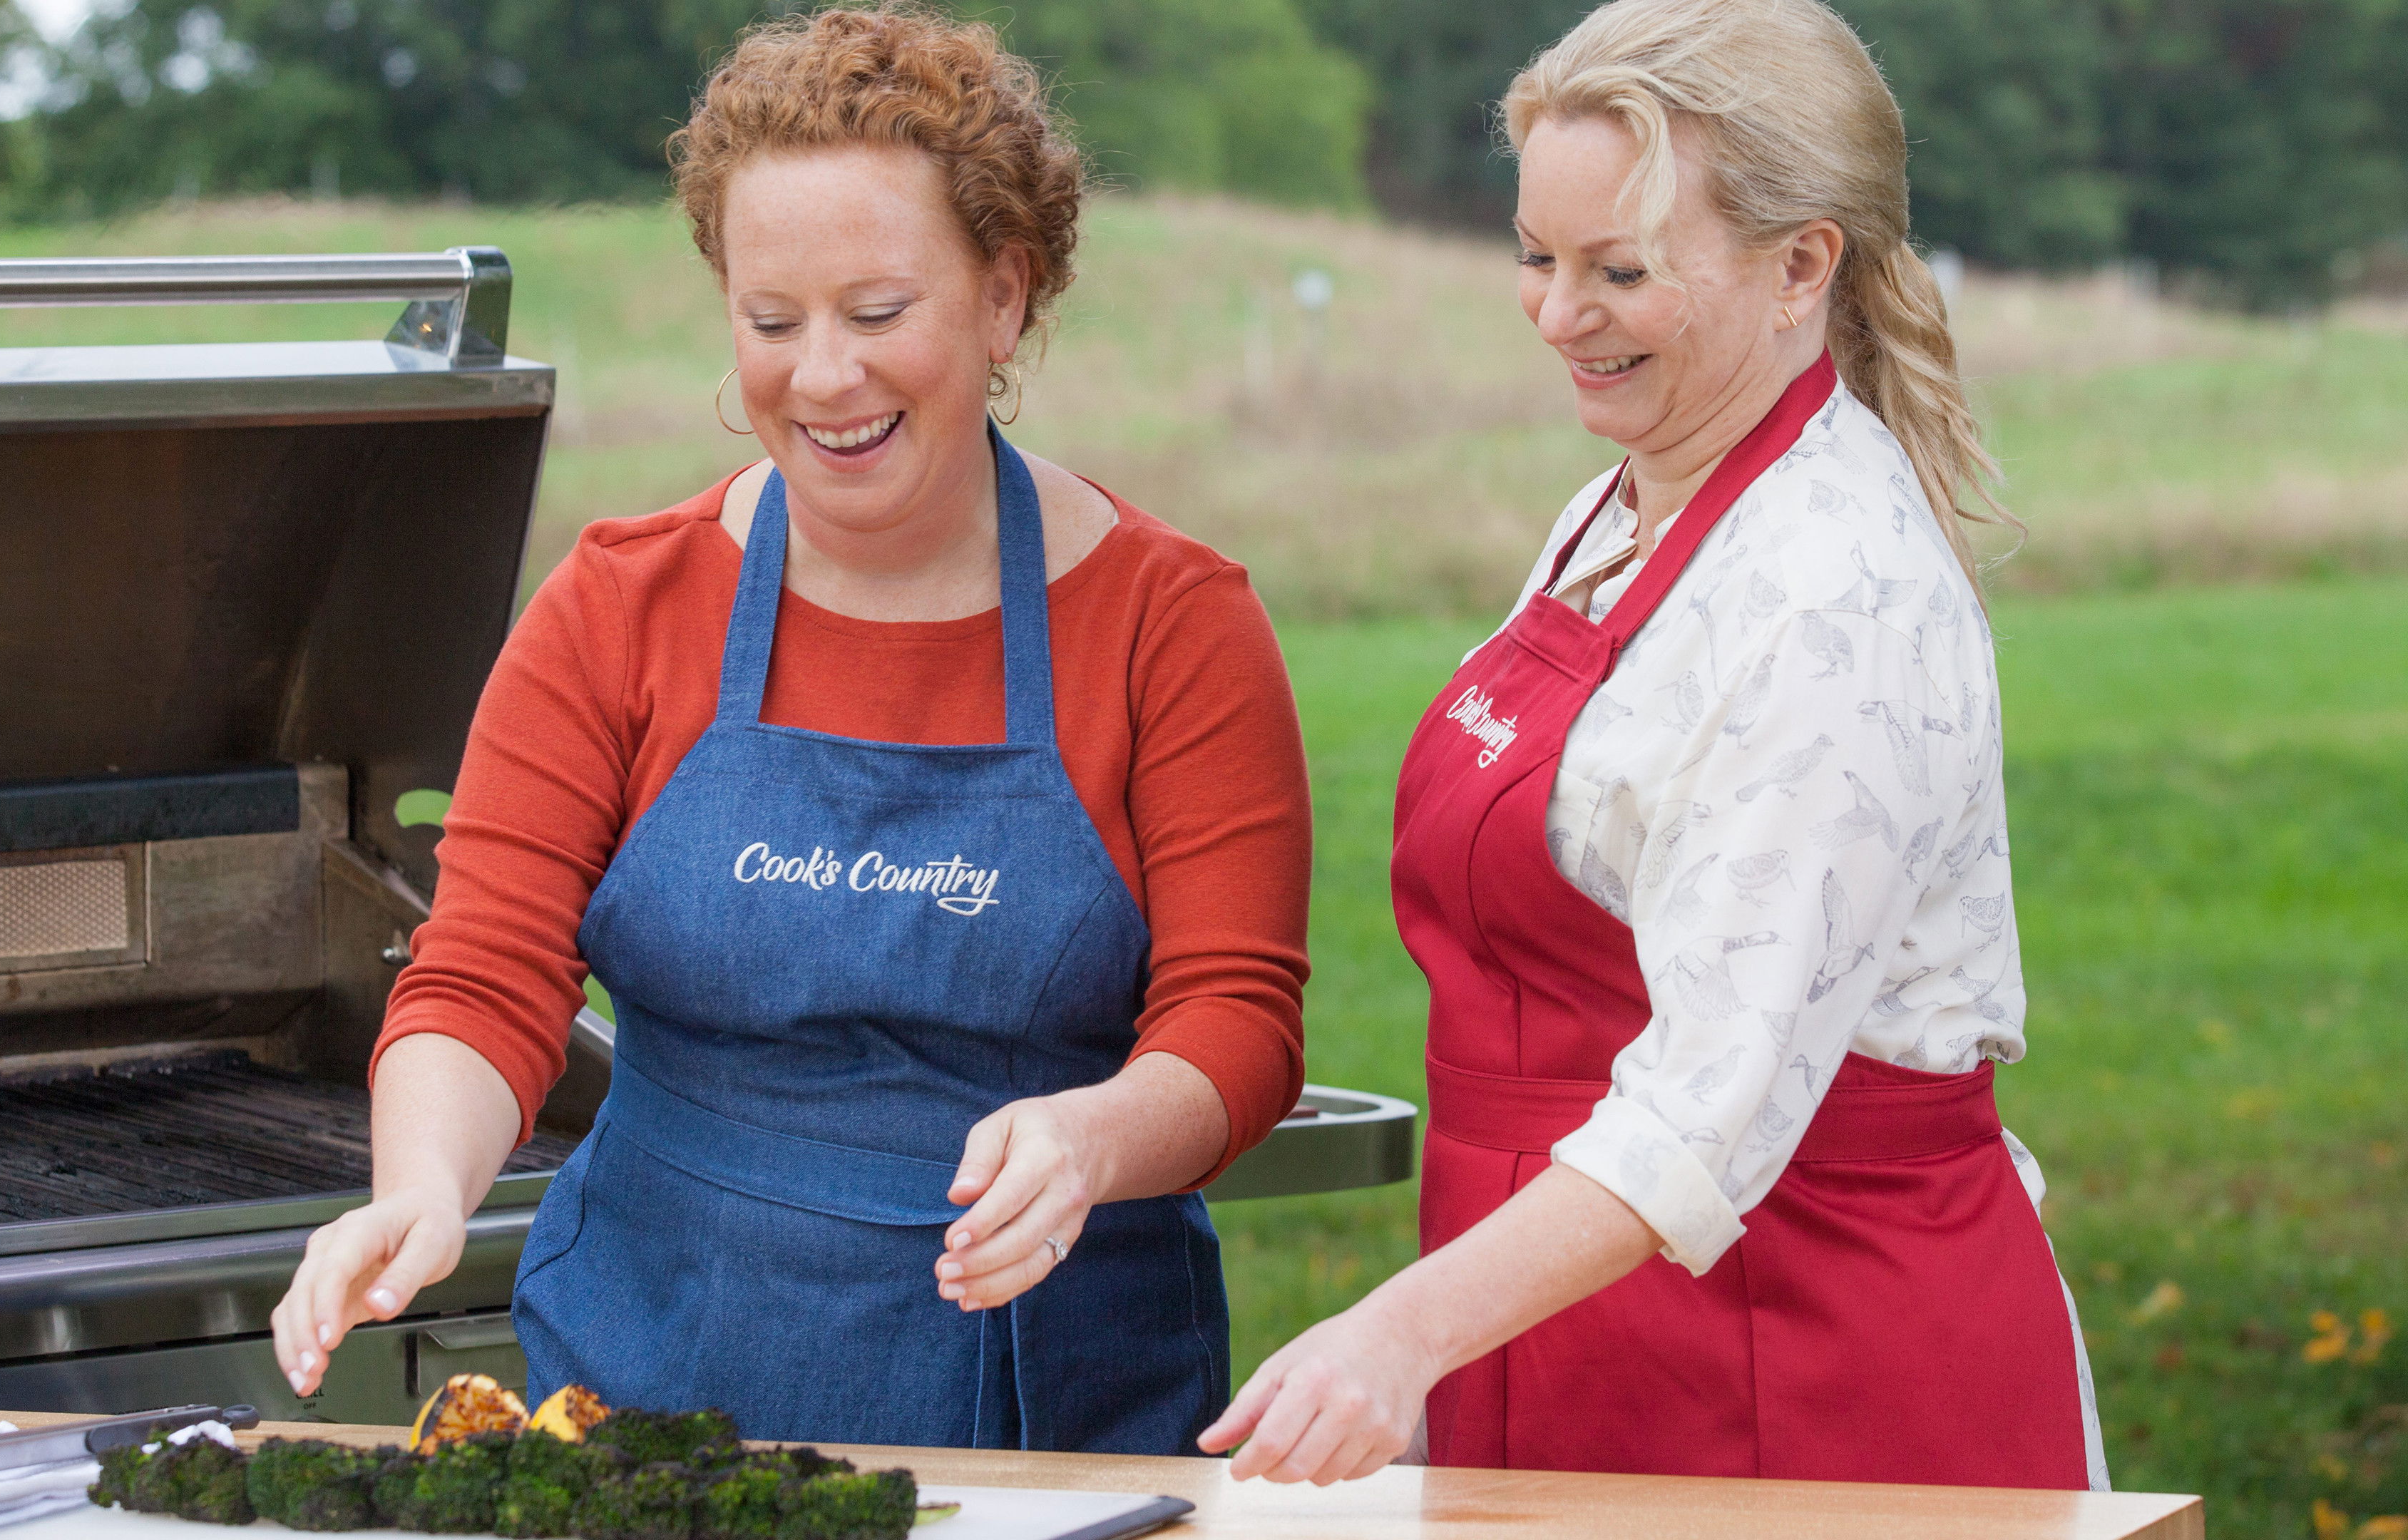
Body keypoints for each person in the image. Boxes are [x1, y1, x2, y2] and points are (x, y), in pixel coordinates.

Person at [267, 4, 1311, 1455]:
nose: (821, 378)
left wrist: (1092, 1140)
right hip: (650, 1376)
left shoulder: (1171, 623)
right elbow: (487, 973)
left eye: (879, 314)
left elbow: (1237, 1022)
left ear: (1005, 297)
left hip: (1047, 1406)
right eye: (772, 321)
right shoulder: (624, 603)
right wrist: (424, 1186)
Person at [1197, 0, 2106, 1490]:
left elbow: (1709, 1110)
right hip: (1570, 1325)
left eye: (1619, 270)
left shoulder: (1834, 597)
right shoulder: (1625, 505)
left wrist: (1398, 1338)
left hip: (1805, 1362)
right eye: (1535, 260)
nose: (1560, 316)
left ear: (1802, 263)